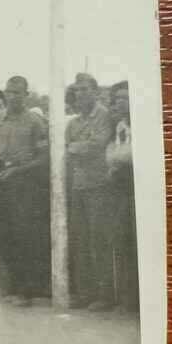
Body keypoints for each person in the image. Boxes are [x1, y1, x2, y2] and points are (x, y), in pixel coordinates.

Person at [0, 76, 50, 306]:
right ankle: (11, 286)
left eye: (17, 92)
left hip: (26, 183)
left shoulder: (34, 121)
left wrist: (17, 171)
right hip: (3, 182)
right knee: (5, 235)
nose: (12, 96)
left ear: (26, 95)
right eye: (9, 92)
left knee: (25, 237)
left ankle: (27, 290)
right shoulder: (2, 122)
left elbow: (44, 158)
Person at [65, 73, 115, 311]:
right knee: (80, 239)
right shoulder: (73, 122)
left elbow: (98, 145)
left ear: (95, 91)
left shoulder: (103, 115)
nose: (80, 93)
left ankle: (105, 295)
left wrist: (76, 147)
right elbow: (67, 148)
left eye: (85, 89)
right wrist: (77, 147)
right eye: (77, 89)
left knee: (99, 239)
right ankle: (85, 293)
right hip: (78, 186)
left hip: (99, 186)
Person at [106, 80, 137, 312]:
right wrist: (116, 157)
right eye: (116, 99)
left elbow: (127, 156)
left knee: (137, 241)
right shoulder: (119, 127)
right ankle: (128, 299)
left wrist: (117, 157)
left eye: (124, 98)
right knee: (122, 240)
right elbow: (111, 156)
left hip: (137, 187)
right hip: (120, 188)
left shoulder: (143, 125)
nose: (119, 103)